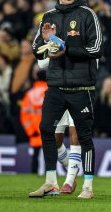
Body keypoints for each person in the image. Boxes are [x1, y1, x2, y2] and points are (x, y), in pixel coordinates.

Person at [29, 0, 102, 199]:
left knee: (85, 136)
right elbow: (35, 49)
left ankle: (88, 186)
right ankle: (51, 181)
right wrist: (44, 43)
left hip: (82, 87)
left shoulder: (87, 14)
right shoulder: (48, 17)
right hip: (56, 86)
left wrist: (66, 50)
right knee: (46, 129)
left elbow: (96, 48)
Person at [37, 58, 82, 194]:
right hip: (59, 93)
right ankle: (71, 167)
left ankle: (69, 180)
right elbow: (41, 63)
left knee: (75, 135)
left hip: (79, 91)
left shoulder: (82, 38)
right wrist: (57, 54)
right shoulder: (56, 41)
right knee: (55, 140)